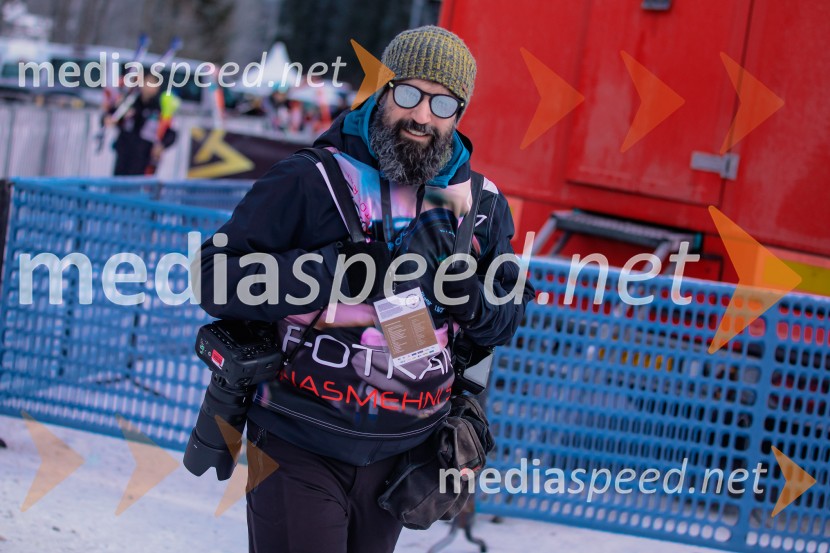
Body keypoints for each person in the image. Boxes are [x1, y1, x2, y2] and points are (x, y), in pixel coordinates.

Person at [197, 25, 534, 553]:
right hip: (298, 439)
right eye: (409, 94)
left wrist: (473, 299)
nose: (422, 116)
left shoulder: (483, 205)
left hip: (404, 458)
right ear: (384, 90)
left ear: (459, 114)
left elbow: (508, 317)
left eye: (443, 103)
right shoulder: (312, 179)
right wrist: (331, 273)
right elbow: (215, 277)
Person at [105, 74, 177, 175]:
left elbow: (171, 132)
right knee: (119, 179)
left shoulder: (160, 108)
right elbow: (111, 116)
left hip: (145, 154)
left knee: (139, 180)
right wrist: (110, 119)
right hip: (124, 149)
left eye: (153, 84)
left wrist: (161, 145)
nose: (149, 86)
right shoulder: (130, 101)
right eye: (147, 83)